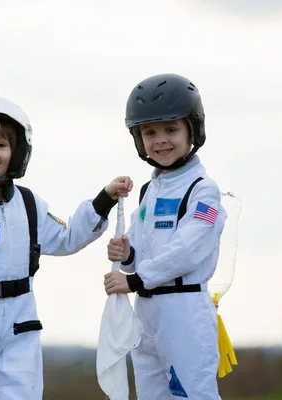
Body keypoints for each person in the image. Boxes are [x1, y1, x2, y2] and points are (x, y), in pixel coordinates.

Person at [0, 93, 132, 400]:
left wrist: (104, 200)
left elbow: (67, 239)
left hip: (20, 324)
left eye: (1, 145)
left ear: (17, 153)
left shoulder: (30, 205)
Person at [104, 73, 227, 399]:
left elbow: (189, 249)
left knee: (193, 394)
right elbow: (141, 250)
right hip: (147, 314)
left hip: (184, 310)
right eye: (149, 132)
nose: (160, 140)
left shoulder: (204, 191)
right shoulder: (149, 191)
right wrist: (127, 253)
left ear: (193, 130)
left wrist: (134, 280)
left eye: (171, 129)